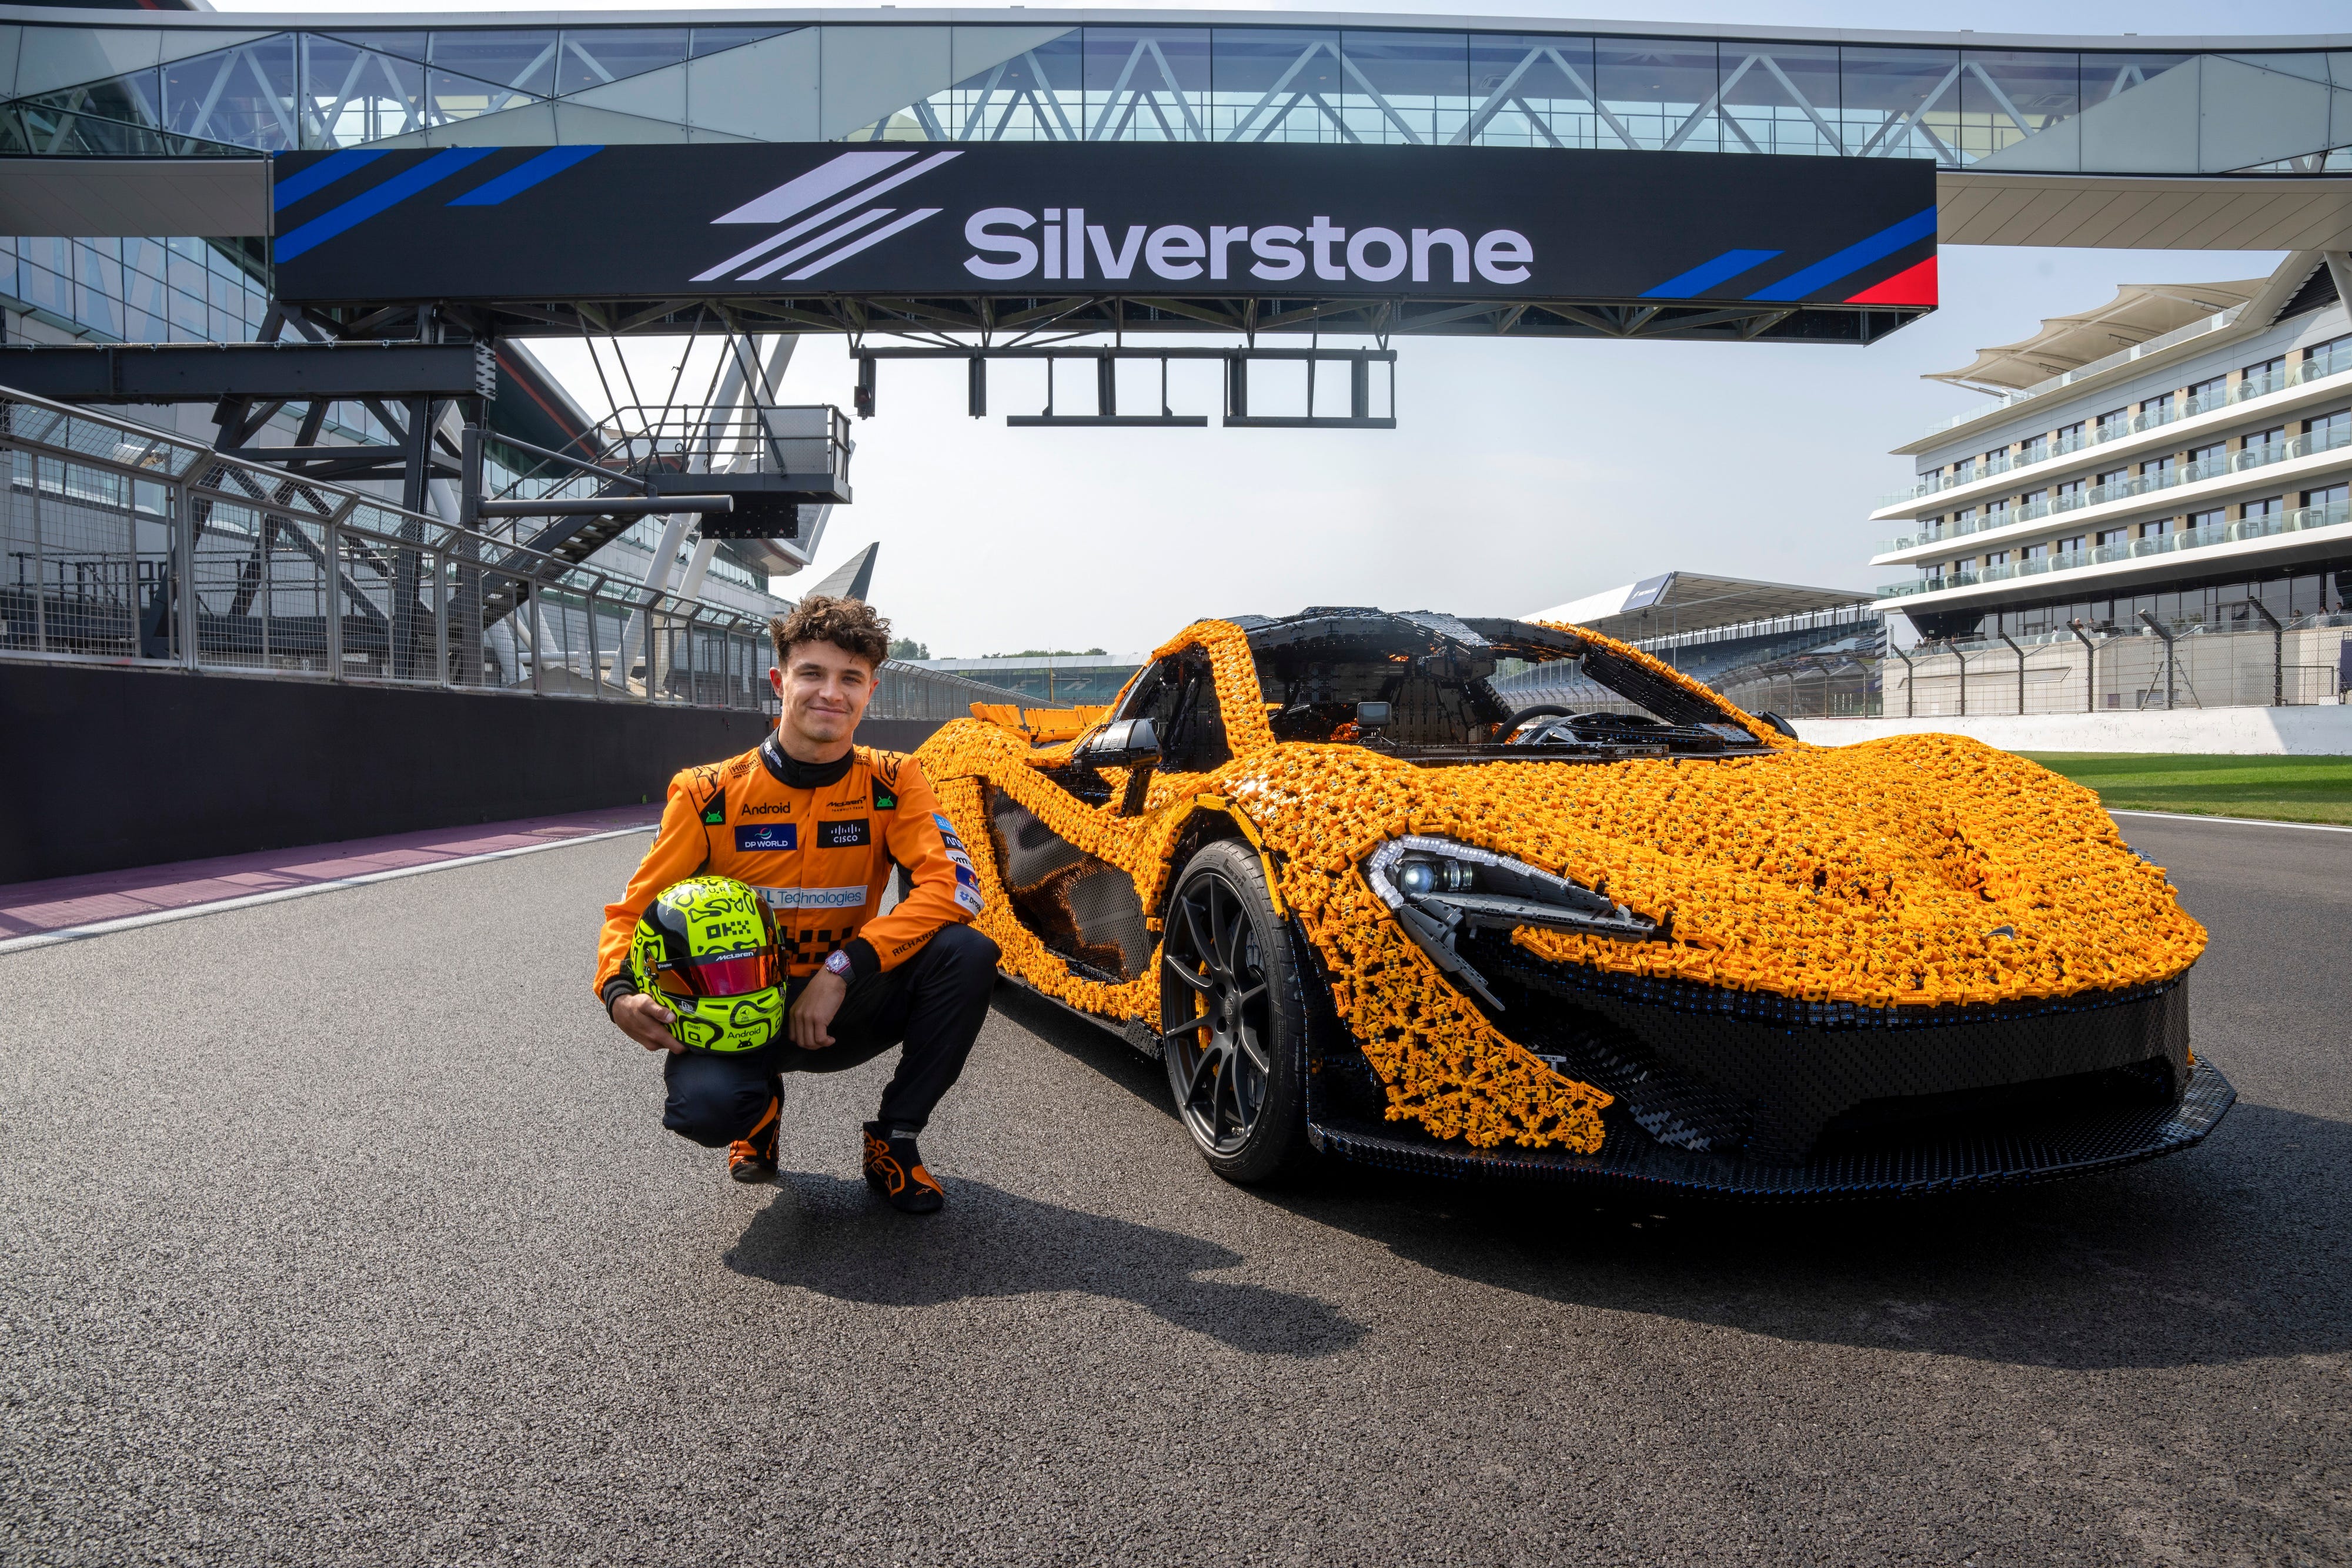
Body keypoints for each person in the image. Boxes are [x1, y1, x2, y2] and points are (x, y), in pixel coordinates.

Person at [594, 594, 998, 1214]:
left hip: (844, 1003)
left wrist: (846, 968)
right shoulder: (706, 791)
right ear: (780, 681)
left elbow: (952, 889)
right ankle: (754, 1110)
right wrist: (618, 993)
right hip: (734, 1009)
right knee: (705, 1112)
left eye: (850, 679)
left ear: (870, 691)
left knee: (967, 953)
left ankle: (896, 1140)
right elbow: (632, 912)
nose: (829, 694)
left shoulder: (896, 780)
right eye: (812, 674)